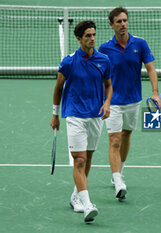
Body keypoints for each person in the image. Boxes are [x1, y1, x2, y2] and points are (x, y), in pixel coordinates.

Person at [50, 20, 113, 223]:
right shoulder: (68, 62)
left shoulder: (104, 60)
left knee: (88, 157)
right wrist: (55, 115)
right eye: (88, 35)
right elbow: (58, 88)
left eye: (94, 34)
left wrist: (107, 103)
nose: (92, 38)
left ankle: (75, 195)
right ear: (79, 38)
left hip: (95, 115)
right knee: (79, 160)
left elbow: (109, 85)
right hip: (75, 115)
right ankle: (87, 205)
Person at [99, 7, 161, 201]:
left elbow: (150, 68)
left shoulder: (140, 44)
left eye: (125, 20)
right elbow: (99, 75)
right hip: (113, 102)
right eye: (118, 22)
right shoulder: (104, 48)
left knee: (126, 136)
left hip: (133, 100)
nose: (123, 24)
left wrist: (155, 93)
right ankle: (118, 182)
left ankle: (119, 170)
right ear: (111, 25)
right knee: (114, 140)